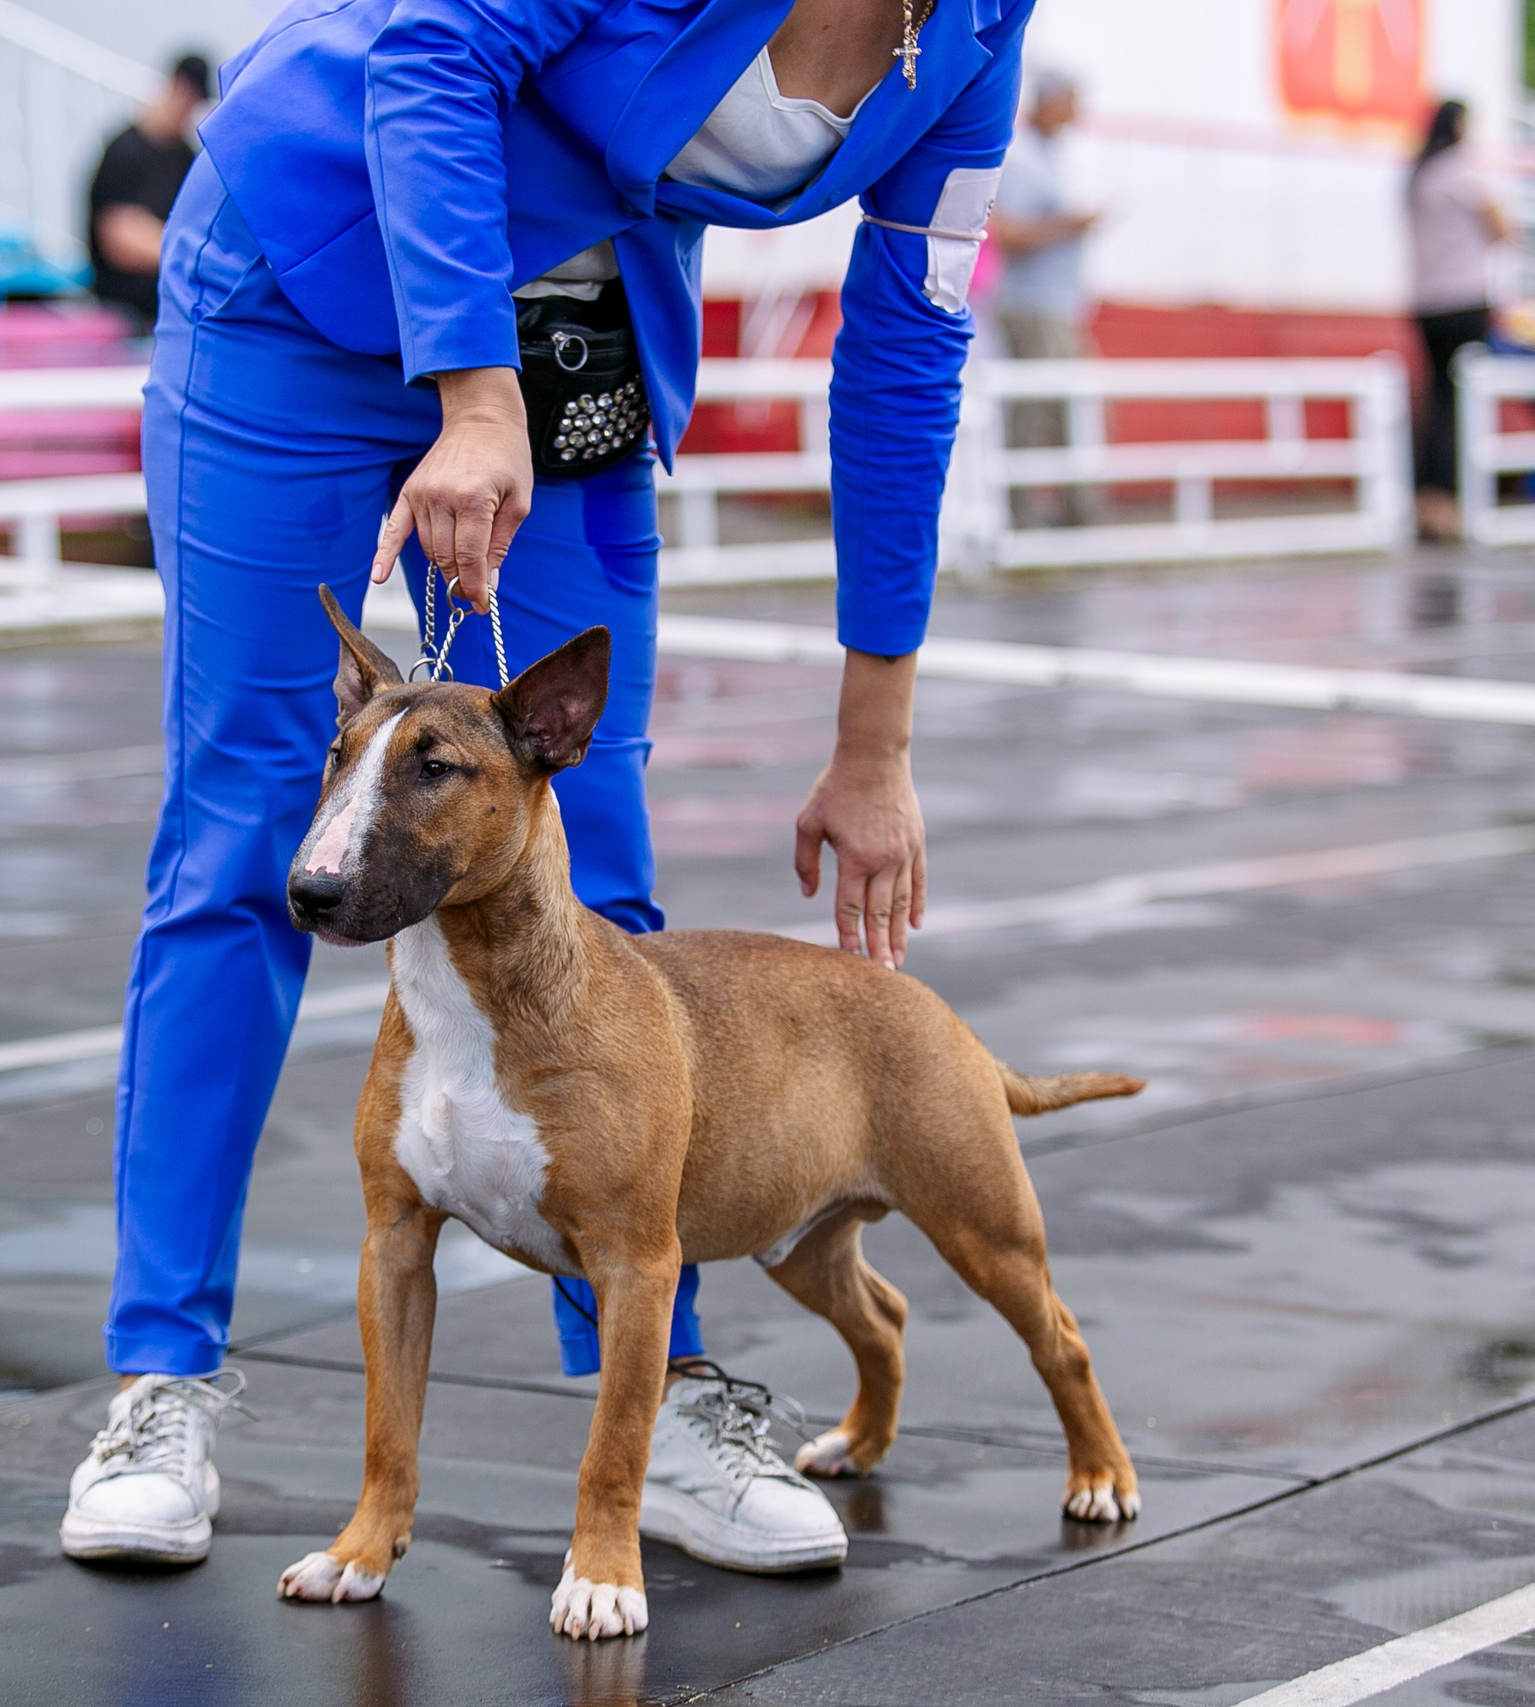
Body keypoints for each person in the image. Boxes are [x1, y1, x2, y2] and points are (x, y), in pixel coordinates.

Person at [58, 0, 1032, 1581]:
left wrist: (874, 742)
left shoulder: (977, 40)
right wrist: (470, 388)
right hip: (306, 274)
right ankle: (163, 1380)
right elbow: (429, 56)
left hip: (571, 342)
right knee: (252, 841)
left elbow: (910, 348)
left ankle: (645, 1409)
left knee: (599, 868)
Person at [987, 68, 1097, 525]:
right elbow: (1005, 232)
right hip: (1032, 306)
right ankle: (1027, 517)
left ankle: (1065, 513)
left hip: (1055, 303)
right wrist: (1071, 226)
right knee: (1034, 412)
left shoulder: (1051, 157)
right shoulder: (1023, 158)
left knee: (1064, 410)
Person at [1406, 99, 1510, 542]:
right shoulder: (1460, 173)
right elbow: (1502, 227)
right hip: (1464, 300)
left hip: (1426, 302)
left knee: (1434, 398)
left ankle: (1424, 497)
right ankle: (1446, 500)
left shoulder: (1418, 176)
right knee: (1458, 403)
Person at [84, 55, 211, 328]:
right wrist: (189, 254)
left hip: (170, 297)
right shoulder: (125, 151)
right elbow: (120, 239)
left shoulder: (183, 154)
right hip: (126, 301)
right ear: (179, 88)